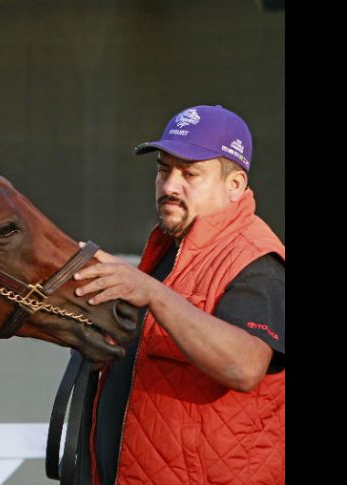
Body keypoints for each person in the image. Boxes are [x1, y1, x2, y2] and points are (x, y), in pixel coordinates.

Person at [73, 105, 285, 485]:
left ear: (234, 185)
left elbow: (245, 366)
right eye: (163, 169)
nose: (170, 185)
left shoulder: (256, 260)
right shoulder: (171, 247)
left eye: (190, 173)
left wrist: (153, 293)